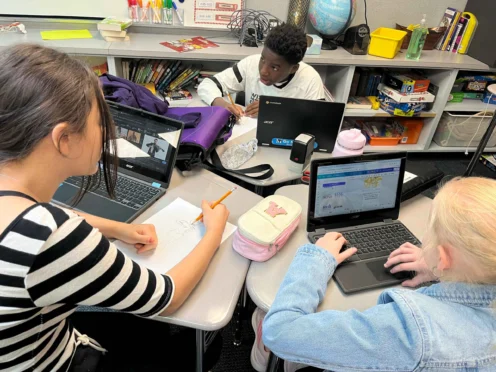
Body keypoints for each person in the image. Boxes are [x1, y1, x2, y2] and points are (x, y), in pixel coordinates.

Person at [0, 44, 230, 371]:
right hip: (56, 360)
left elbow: (49, 213)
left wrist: (116, 228)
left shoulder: (19, 201)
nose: (107, 133)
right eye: (100, 122)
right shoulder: (56, 237)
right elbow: (168, 295)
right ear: (64, 138)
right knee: (189, 344)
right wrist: (215, 230)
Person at [260, 177, 496, 372]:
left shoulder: (408, 332)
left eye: (431, 230)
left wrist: (318, 258)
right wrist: (441, 270)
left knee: (271, 325)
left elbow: (280, 330)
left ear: (444, 257)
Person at [197, 23, 325, 118]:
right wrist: (221, 104)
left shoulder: (310, 79)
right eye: (263, 59)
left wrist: (275, 110)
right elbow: (207, 84)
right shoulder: (250, 64)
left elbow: (319, 118)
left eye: (274, 67)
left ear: (293, 69)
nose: (263, 71)